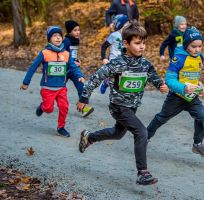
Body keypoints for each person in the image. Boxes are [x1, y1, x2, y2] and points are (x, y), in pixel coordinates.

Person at [76, 22, 168, 185]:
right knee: (141, 133)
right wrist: (84, 97)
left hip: (132, 107)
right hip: (119, 107)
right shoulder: (117, 63)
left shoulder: (145, 63)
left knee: (117, 134)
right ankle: (142, 173)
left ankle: (90, 137)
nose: (142, 47)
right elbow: (95, 78)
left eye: (144, 43)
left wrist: (160, 84)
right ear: (126, 43)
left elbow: (153, 75)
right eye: (137, 43)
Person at [147, 27, 204, 157]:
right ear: (186, 44)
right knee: (161, 118)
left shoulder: (200, 58)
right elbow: (169, 80)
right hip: (176, 97)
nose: (197, 50)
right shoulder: (178, 58)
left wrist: (198, 84)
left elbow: (194, 75)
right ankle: (145, 137)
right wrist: (183, 88)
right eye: (194, 46)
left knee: (202, 116)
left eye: (200, 46)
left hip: (191, 97)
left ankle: (197, 144)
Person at [20, 26, 85, 137]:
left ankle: (61, 127)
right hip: (47, 88)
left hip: (61, 87)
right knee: (48, 109)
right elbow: (33, 67)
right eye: (54, 36)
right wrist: (26, 82)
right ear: (49, 39)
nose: (58, 38)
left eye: (59, 36)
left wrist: (79, 75)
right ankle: (42, 107)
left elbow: (73, 67)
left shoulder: (66, 53)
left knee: (64, 107)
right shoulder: (44, 53)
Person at [63, 20, 94, 117]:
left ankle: (83, 107)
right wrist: (71, 62)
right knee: (58, 88)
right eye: (75, 30)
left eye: (78, 30)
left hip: (73, 69)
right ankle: (48, 102)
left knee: (81, 85)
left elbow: (73, 54)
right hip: (65, 69)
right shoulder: (65, 41)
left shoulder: (76, 40)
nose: (78, 32)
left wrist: (77, 60)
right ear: (69, 32)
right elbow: (62, 55)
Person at [99, 15, 129, 94]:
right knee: (112, 78)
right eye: (127, 23)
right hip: (113, 60)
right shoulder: (114, 35)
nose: (129, 25)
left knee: (120, 79)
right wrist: (104, 58)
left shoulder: (129, 36)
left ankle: (119, 95)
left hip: (123, 61)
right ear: (122, 25)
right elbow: (104, 47)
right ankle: (106, 82)